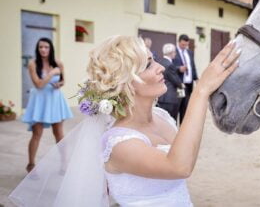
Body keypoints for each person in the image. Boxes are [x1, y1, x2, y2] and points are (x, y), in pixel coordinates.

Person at [9, 36, 240, 206]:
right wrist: (200, 91)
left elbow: (185, 154)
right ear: (126, 82)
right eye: (148, 64)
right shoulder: (119, 142)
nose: (162, 68)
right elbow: (179, 166)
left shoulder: (163, 117)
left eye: (155, 60)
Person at [21, 37, 73, 173]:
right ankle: (31, 165)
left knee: (59, 134)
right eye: (40, 47)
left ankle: (64, 164)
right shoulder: (33, 64)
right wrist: (51, 74)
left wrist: (58, 84)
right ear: (37, 49)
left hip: (55, 100)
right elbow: (38, 84)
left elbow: (63, 81)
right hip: (39, 101)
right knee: (36, 134)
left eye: (46, 47)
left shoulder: (58, 63)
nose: (43, 49)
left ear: (51, 49)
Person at [173, 34, 198, 124]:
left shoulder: (189, 52)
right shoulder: (173, 52)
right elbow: (169, 67)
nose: (184, 47)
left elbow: (193, 66)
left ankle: (182, 127)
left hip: (188, 85)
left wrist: (196, 78)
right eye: (183, 45)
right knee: (178, 106)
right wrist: (178, 68)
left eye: (186, 45)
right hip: (180, 85)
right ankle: (174, 127)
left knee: (185, 107)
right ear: (178, 42)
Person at [157, 43, 184, 122]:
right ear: (171, 53)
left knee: (162, 121)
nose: (175, 53)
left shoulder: (160, 61)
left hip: (161, 97)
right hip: (170, 98)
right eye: (174, 52)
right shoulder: (170, 65)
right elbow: (176, 81)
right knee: (171, 122)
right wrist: (182, 85)